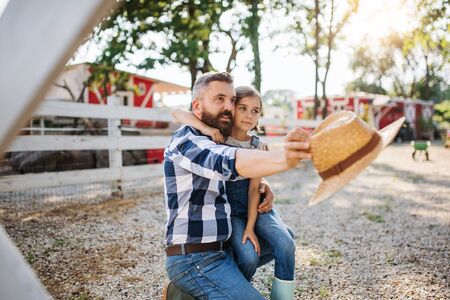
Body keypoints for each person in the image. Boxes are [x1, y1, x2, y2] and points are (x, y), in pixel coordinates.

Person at [164, 72, 310, 299]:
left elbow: (237, 171)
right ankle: (188, 289)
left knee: (283, 239)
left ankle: (194, 293)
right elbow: (224, 160)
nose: (228, 107)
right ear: (197, 105)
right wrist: (285, 157)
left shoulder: (218, 136)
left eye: (232, 100)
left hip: (222, 250)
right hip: (195, 258)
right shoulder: (188, 139)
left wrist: (263, 182)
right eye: (219, 99)